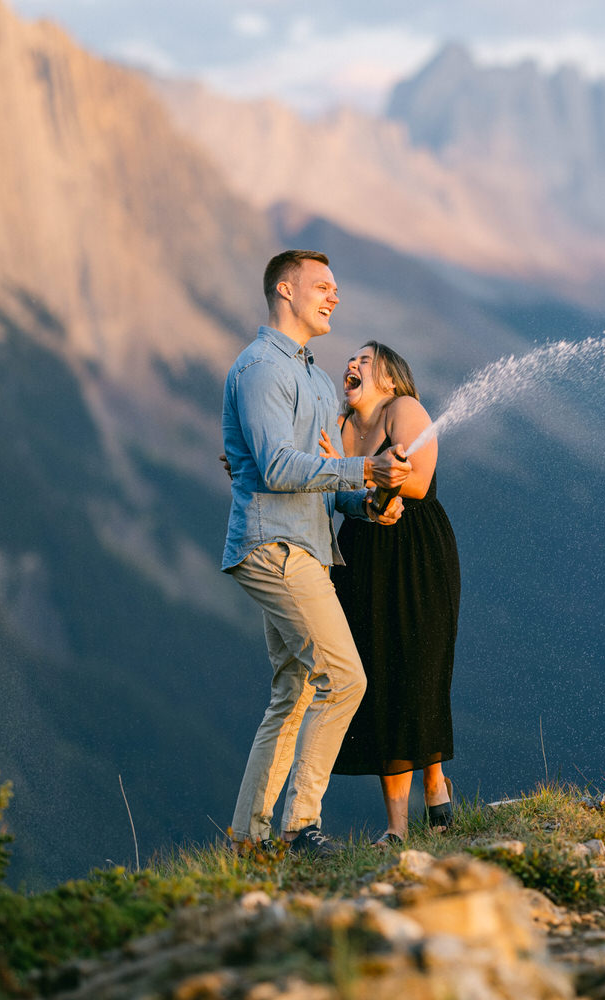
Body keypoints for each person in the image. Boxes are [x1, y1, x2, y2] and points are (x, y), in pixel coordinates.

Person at [221, 250, 412, 855]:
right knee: (346, 679)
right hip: (272, 545)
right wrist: (366, 466)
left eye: (336, 288)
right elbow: (278, 468)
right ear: (285, 289)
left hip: (304, 541)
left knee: (294, 690)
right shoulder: (259, 369)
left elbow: (319, 483)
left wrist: (367, 503)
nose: (334, 297)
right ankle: (301, 827)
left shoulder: (316, 377)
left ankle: (246, 841)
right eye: (322, 286)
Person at [324, 341, 461, 845]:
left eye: (366, 359)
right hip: (360, 553)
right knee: (379, 676)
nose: (353, 364)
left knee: (419, 668)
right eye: (351, 359)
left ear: (390, 377)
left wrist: (371, 474)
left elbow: (420, 483)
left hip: (416, 549)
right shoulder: (339, 427)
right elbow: (334, 491)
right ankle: (397, 829)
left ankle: (434, 780)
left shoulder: (404, 409)